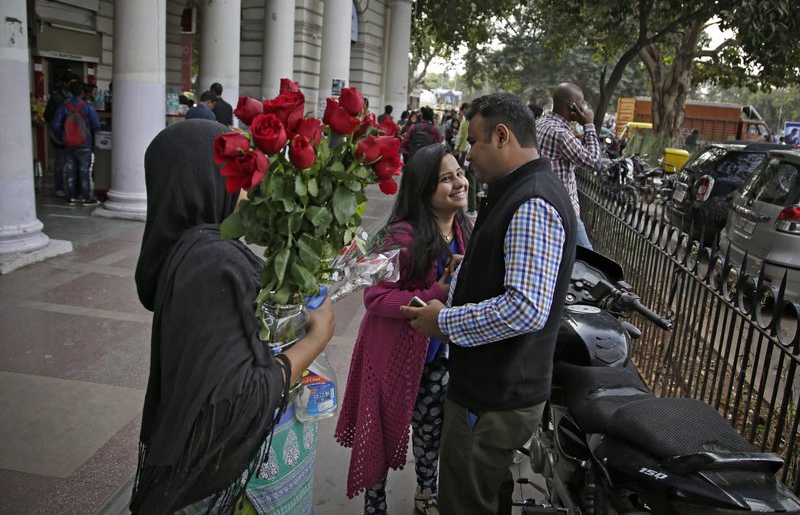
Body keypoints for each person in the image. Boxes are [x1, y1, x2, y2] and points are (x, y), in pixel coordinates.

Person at [129, 120, 335, 514]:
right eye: (237, 173)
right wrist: (315, 340)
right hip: (231, 487)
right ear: (207, 179)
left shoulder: (188, 251)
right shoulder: (211, 262)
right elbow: (241, 397)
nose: (248, 186)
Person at [400, 93, 577, 515]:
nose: (469, 153)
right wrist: (472, 267)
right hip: (494, 390)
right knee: (483, 494)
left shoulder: (532, 200)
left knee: (465, 501)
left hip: (494, 395)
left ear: (502, 136)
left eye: (476, 141)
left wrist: (444, 321)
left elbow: (524, 308)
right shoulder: (516, 190)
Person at [336, 144, 471, 515]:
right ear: (423, 188)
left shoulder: (464, 230)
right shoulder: (399, 235)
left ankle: (426, 496)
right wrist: (435, 293)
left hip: (437, 358)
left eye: (459, 172)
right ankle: (374, 505)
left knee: (430, 434)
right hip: (391, 357)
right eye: (446, 178)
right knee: (380, 435)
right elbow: (375, 299)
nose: (459, 182)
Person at [536, 82, 600, 249]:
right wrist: (589, 126)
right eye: (581, 104)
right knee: (589, 263)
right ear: (573, 107)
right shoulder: (561, 134)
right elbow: (593, 161)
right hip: (565, 211)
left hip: (544, 205)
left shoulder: (541, 124)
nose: (583, 109)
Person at [51, 79, 101, 205]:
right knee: (84, 171)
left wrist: (63, 137)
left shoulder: (64, 107)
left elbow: (55, 124)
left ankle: (71, 197)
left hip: (68, 144)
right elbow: (96, 125)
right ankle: (85, 197)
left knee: (70, 170)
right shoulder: (88, 108)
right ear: (82, 92)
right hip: (84, 144)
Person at [43, 72, 78, 198]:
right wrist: (61, 135)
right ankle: (59, 188)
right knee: (60, 164)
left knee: (72, 164)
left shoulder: (79, 99)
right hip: (62, 138)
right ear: (65, 83)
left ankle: (71, 188)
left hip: (75, 137)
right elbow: (49, 116)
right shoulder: (57, 98)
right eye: (72, 83)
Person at [454, 103, 478, 216]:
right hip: (476, 155)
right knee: (476, 181)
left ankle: (472, 208)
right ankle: (476, 206)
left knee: (471, 182)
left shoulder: (467, 122)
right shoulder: (478, 121)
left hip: (468, 154)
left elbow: (468, 142)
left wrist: (466, 160)